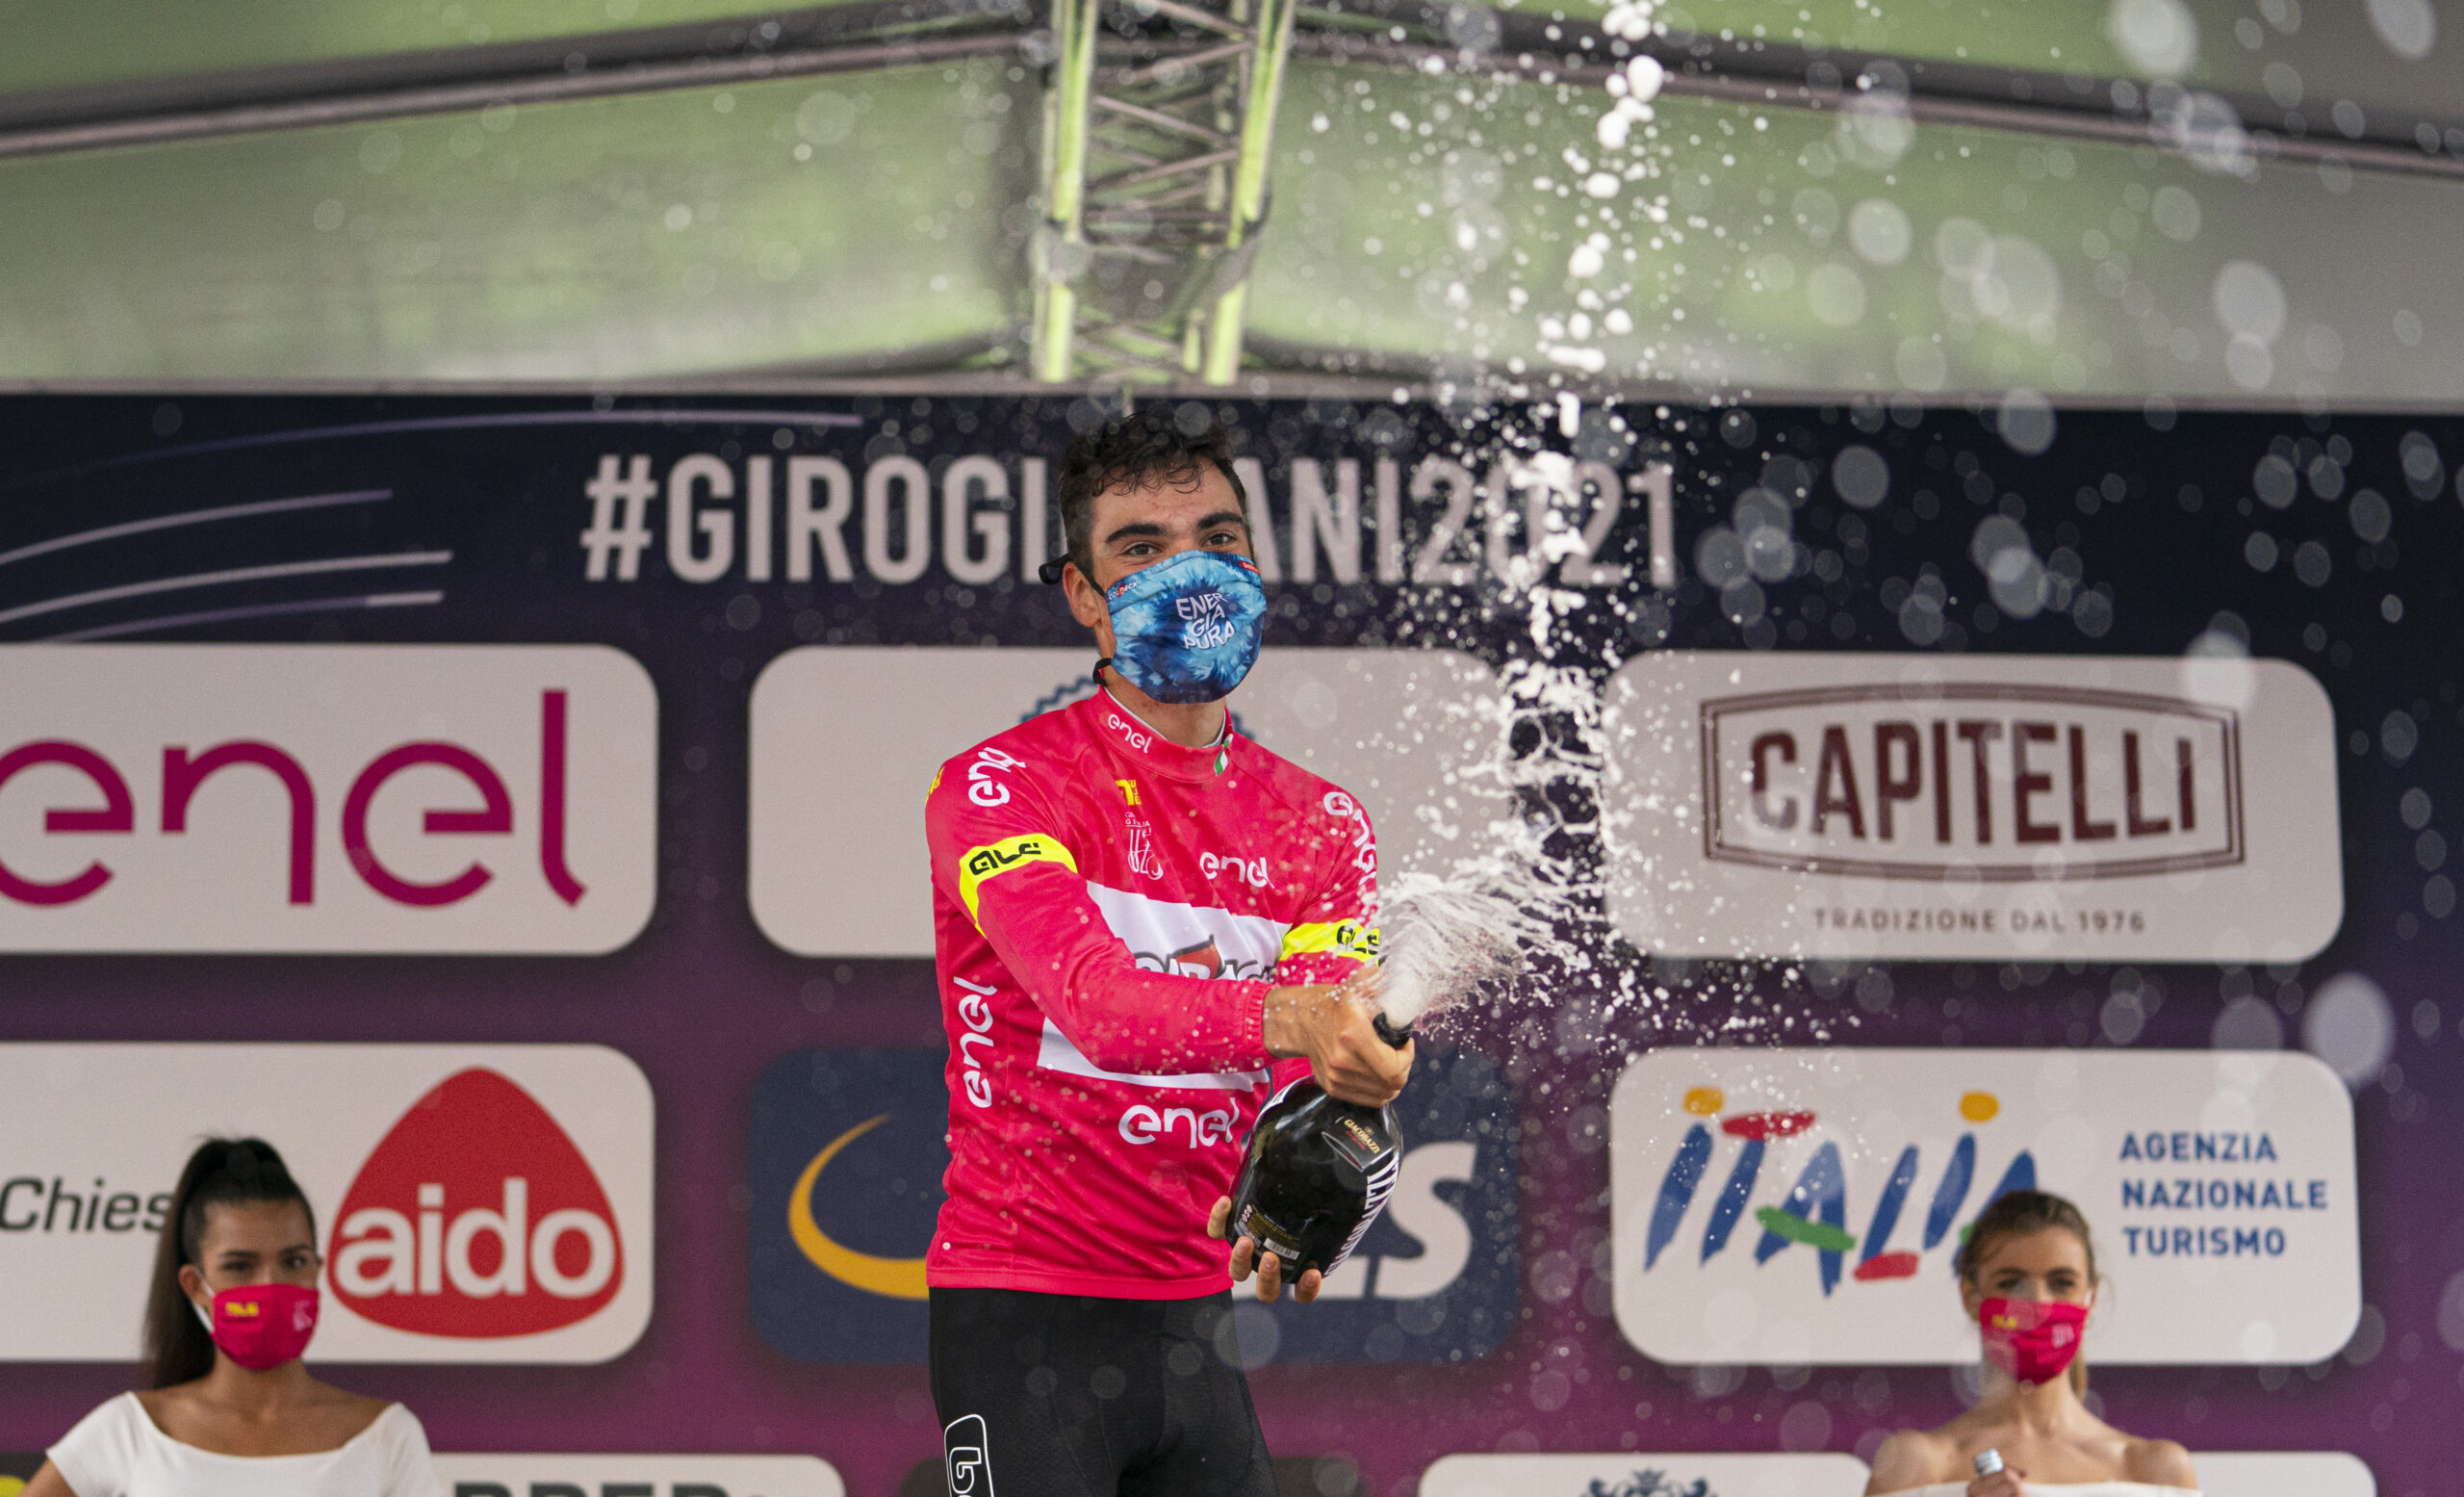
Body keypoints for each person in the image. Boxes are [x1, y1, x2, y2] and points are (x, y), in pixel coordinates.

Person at [921, 406, 1412, 1497]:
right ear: (1083, 595)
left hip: (1198, 1325)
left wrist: (1347, 1106)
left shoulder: (1324, 822)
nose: (1190, 572)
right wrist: (1292, 1018)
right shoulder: (1001, 784)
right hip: (1023, 1313)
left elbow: (1321, 1062)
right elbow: (1091, 1002)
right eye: (1142, 547)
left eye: (1219, 538)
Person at [27, 1138, 443, 1497]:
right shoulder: (133, 1429)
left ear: (317, 1268)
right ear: (195, 1285)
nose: (270, 1284)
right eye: (240, 1266)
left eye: (293, 1261)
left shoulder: (387, 1436)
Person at [1864, 1190, 2198, 1497]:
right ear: (1970, 1295)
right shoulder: (1912, 1465)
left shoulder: (2155, 1469)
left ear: (2090, 1298)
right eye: (2011, 1282)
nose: (2037, 1303)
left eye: (2062, 1283)